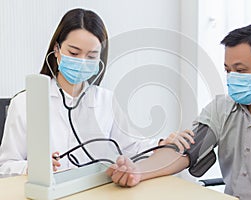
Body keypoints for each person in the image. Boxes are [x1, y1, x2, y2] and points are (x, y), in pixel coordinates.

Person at [106, 24, 251, 200]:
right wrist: (137, 171)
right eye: (228, 70)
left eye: (240, 71)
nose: (232, 78)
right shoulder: (222, 108)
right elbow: (186, 150)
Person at [0, 8, 173, 177]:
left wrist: (162, 144)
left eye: (91, 56)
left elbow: (133, 146)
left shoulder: (107, 101)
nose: (82, 62)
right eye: (74, 53)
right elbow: (6, 166)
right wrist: (33, 167)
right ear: (57, 50)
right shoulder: (25, 102)